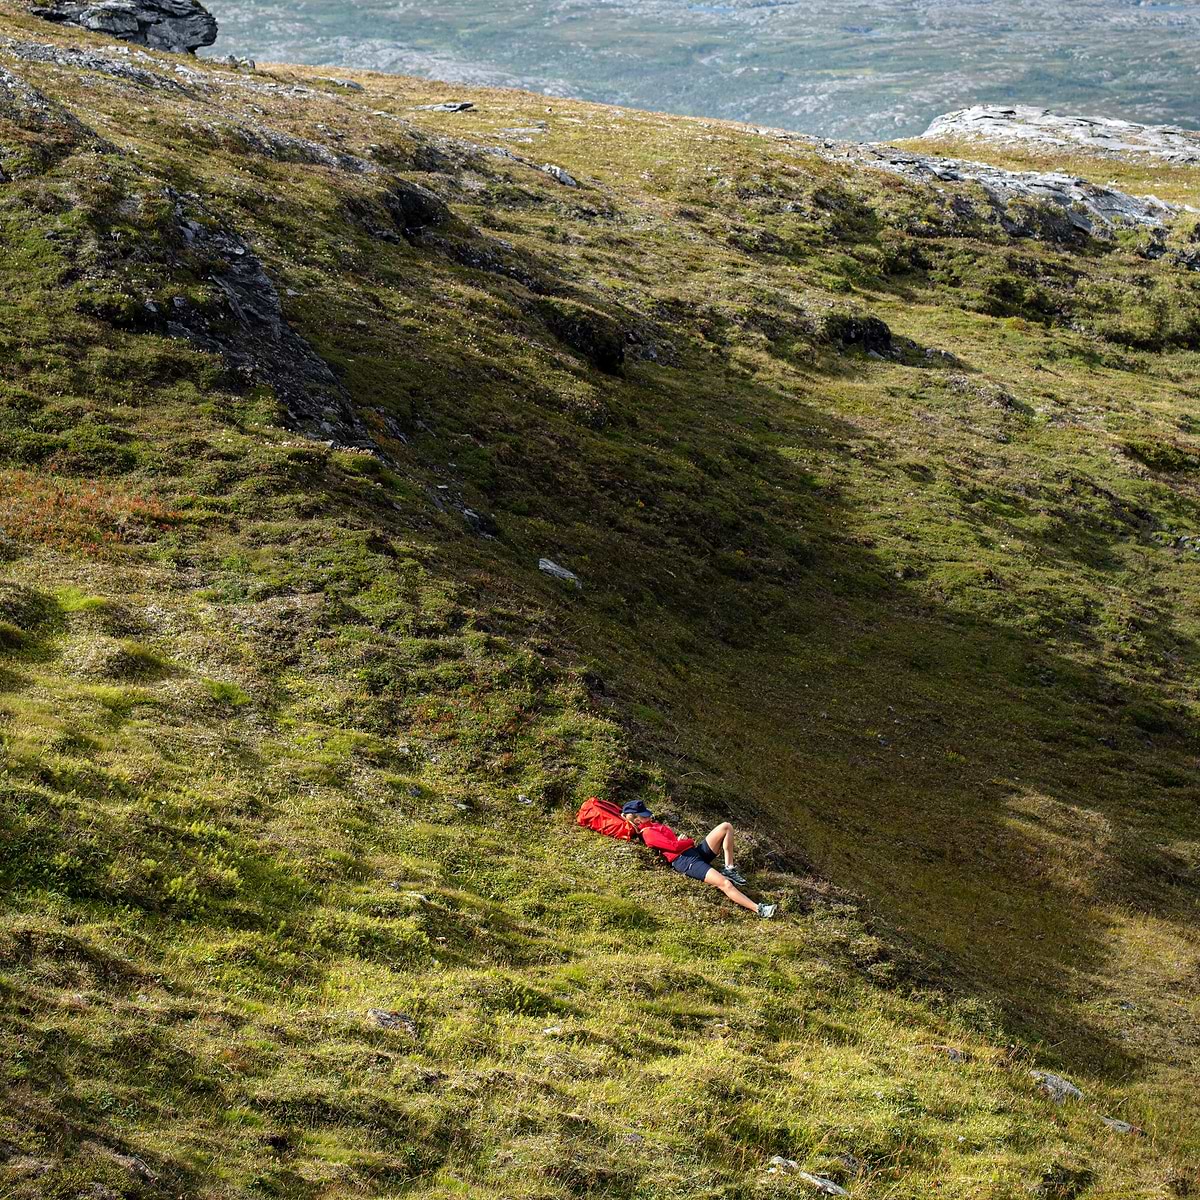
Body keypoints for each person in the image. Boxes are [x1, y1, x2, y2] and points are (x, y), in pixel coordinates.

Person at [621, 800, 778, 918]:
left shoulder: (653, 826)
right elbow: (673, 847)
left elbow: (674, 842)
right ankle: (759, 909)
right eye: (644, 816)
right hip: (685, 861)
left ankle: (729, 868)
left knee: (726, 826)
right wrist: (686, 841)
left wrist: (681, 841)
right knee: (724, 883)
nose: (649, 817)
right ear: (637, 820)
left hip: (692, 852)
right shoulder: (648, 833)